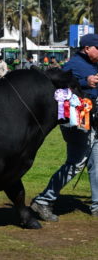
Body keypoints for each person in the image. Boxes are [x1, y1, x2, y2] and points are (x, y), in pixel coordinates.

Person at [31, 33, 98, 221]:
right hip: (76, 123)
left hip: (94, 122)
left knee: (97, 165)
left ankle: (97, 205)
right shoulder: (73, 65)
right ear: (87, 49)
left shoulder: (94, 64)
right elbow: (58, 88)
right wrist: (86, 82)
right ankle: (43, 201)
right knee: (75, 163)